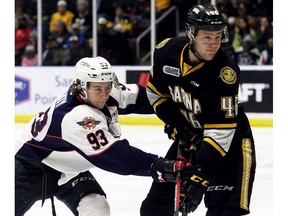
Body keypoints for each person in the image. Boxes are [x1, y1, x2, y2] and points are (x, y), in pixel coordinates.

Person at [15, 56, 194, 216]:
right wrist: (158, 165)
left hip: (69, 170)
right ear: (81, 87)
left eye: (107, 87)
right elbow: (115, 156)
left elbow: (145, 98)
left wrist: (183, 103)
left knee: (97, 209)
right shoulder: (76, 118)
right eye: (98, 89)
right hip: (27, 170)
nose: (104, 94)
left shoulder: (106, 92)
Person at [141, 4, 256, 216]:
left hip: (230, 146)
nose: (214, 43)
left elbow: (220, 132)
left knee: (223, 212)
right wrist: (176, 124)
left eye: (218, 36)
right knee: (155, 207)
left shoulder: (225, 72)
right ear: (191, 33)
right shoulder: (166, 52)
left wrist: (201, 174)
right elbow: (157, 94)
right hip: (190, 138)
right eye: (207, 37)